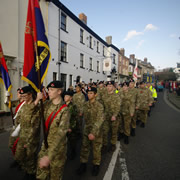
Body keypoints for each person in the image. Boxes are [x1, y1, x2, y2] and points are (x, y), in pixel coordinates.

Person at [36, 81, 70, 180]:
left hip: (58, 150)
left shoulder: (64, 110)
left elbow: (61, 134)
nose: (48, 92)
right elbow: (33, 114)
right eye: (48, 90)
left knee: (55, 176)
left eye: (51, 90)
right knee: (40, 175)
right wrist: (37, 100)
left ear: (59, 91)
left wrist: (49, 156)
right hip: (45, 145)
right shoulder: (46, 104)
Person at [77, 87, 104, 176]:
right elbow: (82, 114)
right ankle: (83, 164)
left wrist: (93, 132)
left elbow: (100, 120)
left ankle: (96, 165)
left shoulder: (99, 106)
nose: (89, 95)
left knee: (96, 149)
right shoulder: (85, 104)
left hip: (96, 131)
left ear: (95, 94)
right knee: (84, 147)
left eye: (91, 93)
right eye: (88, 93)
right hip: (87, 129)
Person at [14, 86, 40, 179]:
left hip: (31, 137)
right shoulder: (24, 105)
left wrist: (29, 141)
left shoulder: (36, 107)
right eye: (22, 96)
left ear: (30, 95)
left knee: (30, 157)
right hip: (22, 135)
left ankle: (31, 173)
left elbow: (35, 127)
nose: (23, 98)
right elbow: (19, 118)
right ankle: (27, 169)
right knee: (19, 156)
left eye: (24, 96)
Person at [102, 81, 121, 152]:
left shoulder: (117, 96)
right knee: (104, 131)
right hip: (106, 116)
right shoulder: (104, 96)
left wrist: (115, 115)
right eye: (107, 86)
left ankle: (113, 144)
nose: (108, 87)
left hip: (114, 117)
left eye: (110, 86)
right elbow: (102, 106)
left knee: (114, 132)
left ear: (113, 87)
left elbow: (118, 107)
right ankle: (104, 145)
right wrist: (102, 113)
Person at [64, 90, 79, 160]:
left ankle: (73, 153)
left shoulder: (73, 106)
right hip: (64, 127)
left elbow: (75, 118)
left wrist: (71, 127)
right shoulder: (63, 105)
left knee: (72, 142)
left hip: (71, 127)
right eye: (65, 96)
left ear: (71, 98)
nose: (65, 97)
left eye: (67, 96)